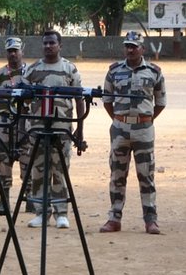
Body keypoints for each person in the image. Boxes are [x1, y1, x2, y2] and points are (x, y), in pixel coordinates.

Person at [100, 31, 166, 234]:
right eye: (127, 46)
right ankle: (114, 218)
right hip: (119, 129)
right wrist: (119, 119)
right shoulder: (114, 71)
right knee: (117, 175)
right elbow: (107, 101)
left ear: (142, 49)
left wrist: (146, 119)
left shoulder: (154, 72)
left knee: (146, 175)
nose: (130, 50)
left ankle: (150, 219)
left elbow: (160, 102)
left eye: (134, 46)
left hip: (143, 130)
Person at [23, 30, 85, 229]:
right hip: (37, 129)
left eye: (52, 43)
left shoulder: (69, 69)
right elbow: (22, 100)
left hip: (62, 129)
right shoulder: (32, 70)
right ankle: (41, 213)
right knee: (38, 171)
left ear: (60, 45)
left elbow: (79, 99)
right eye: (45, 43)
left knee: (60, 170)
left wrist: (80, 128)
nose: (48, 46)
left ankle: (61, 213)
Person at [0, 36, 29, 209]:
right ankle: (4, 200)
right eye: (10, 51)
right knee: (3, 159)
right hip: (5, 122)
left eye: (15, 50)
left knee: (27, 158)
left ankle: (30, 199)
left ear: (22, 51)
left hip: (26, 122)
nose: (13, 54)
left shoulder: (30, 72)